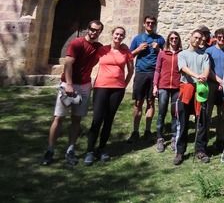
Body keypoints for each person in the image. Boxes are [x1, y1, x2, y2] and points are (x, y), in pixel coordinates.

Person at [41, 20, 104, 166]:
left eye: (97, 30)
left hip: (84, 85)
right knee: (58, 117)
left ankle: (70, 150)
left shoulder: (98, 47)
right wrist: (69, 84)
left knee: (76, 119)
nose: (94, 32)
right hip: (68, 85)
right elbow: (68, 63)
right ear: (88, 29)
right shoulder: (77, 43)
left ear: (100, 32)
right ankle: (50, 150)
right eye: (92, 29)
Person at [84, 26, 133, 165]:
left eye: (121, 35)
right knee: (97, 119)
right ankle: (89, 151)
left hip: (117, 89)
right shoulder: (102, 49)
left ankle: (102, 148)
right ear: (112, 35)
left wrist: (124, 83)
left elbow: (131, 70)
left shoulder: (126, 52)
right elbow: (90, 62)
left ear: (123, 37)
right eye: (116, 34)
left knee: (109, 119)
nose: (118, 37)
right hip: (101, 87)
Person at [174, 29, 211, 165]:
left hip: (200, 90)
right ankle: (180, 152)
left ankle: (200, 150)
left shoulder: (205, 55)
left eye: (200, 38)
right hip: (187, 88)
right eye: (195, 37)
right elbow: (183, 68)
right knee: (183, 122)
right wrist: (197, 76)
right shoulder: (182, 54)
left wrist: (205, 76)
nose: (197, 40)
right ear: (190, 37)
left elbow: (207, 68)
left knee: (201, 121)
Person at [128, 15, 165, 143]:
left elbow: (166, 56)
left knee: (150, 101)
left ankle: (148, 131)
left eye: (152, 23)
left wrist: (159, 49)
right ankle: (135, 131)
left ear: (155, 24)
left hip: (154, 73)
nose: (150, 25)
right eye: (148, 23)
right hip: (141, 73)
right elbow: (128, 55)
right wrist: (138, 49)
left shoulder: (160, 39)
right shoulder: (137, 38)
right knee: (138, 103)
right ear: (144, 24)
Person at [153, 31, 182, 153]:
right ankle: (160, 137)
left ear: (178, 40)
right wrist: (155, 86)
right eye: (171, 38)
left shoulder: (182, 54)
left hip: (176, 87)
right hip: (163, 86)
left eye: (176, 38)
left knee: (175, 113)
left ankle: (174, 137)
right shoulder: (162, 53)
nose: (174, 40)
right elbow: (157, 70)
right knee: (162, 112)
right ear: (168, 40)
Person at [206, 28, 224, 151]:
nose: (221, 39)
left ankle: (220, 139)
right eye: (219, 37)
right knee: (208, 113)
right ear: (215, 37)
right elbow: (208, 69)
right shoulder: (209, 51)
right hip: (211, 84)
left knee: (222, 115)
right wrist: (218, 81)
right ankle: (204, 140)